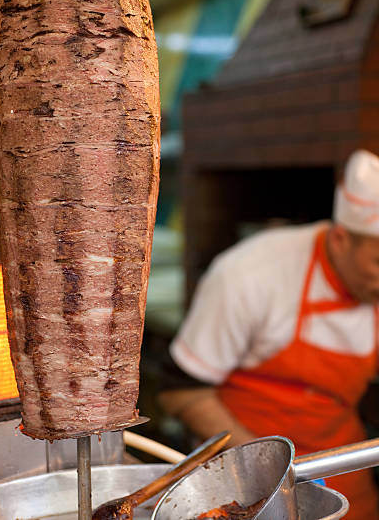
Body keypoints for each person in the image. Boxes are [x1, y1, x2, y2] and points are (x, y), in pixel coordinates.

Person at [159, 149, 379, 519]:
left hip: (344, 473)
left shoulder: (369, 283)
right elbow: (180, 393)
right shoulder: (250, 273)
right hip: (250, 488)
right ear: (341, 238)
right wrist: (271, 474)